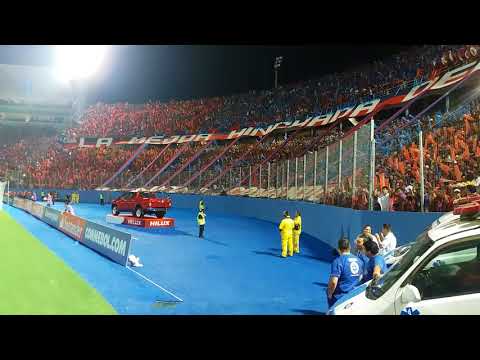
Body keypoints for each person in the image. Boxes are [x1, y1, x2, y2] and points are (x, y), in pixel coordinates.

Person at [327, 238, 363, 308]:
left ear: (338, 249)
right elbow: (360, 277)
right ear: (349, 247)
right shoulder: (359, 260)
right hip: (353, 294)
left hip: (339, 297)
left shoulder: (338, 261)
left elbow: (333, 282)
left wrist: (329, 294)